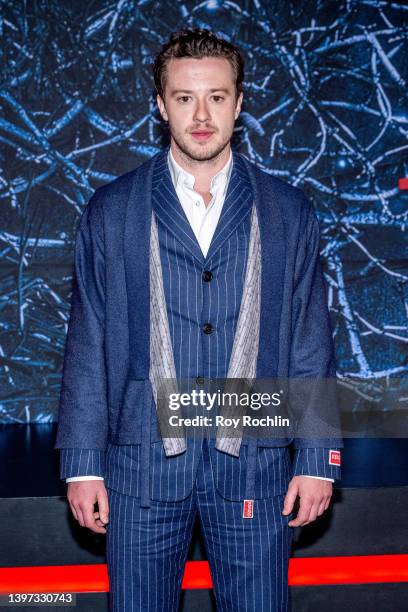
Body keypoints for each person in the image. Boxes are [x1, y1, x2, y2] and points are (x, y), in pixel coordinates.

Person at [55, 27, 343, 612]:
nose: (202, 114)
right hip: (141, 466)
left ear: (240, 104)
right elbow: (88, 340)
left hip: (256, 465)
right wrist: (81, 465)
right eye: (185, 98)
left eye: (217, 96)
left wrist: (319, 460)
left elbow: (312, 337)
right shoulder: (112, 210)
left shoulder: (287, 210)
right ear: (161, 106)